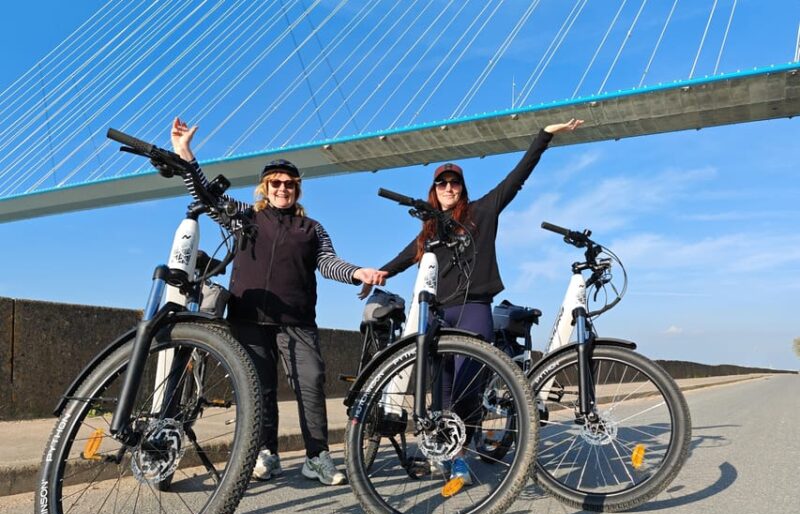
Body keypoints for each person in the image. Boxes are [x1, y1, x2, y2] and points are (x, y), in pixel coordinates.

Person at [360, 119, 584, 484]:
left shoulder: (482, 212)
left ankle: (463, 449)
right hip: (438, 311)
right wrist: (381, 272)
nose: (449, 187)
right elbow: (408, 255)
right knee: (442, 385)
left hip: (474, 307)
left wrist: (544, 136)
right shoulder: (430, 229)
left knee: (471, 378)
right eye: (442, 183)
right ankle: (448, 451)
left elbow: (517, 178)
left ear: (463, 188)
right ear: (434, 190)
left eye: (455, 182)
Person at [171, 117, 387, 486]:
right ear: (264, 187)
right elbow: (206, 197)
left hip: (297, 320)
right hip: (249, 319)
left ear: (297, 190)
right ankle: (266, 454)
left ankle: (317, 457)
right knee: (260, 389)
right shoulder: (245, 218)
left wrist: (356, 272)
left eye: (289, 184)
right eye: (275, 183)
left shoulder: (312, 229)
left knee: (311, 383)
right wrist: (186, 154)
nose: (282, 188)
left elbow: (327, 263)